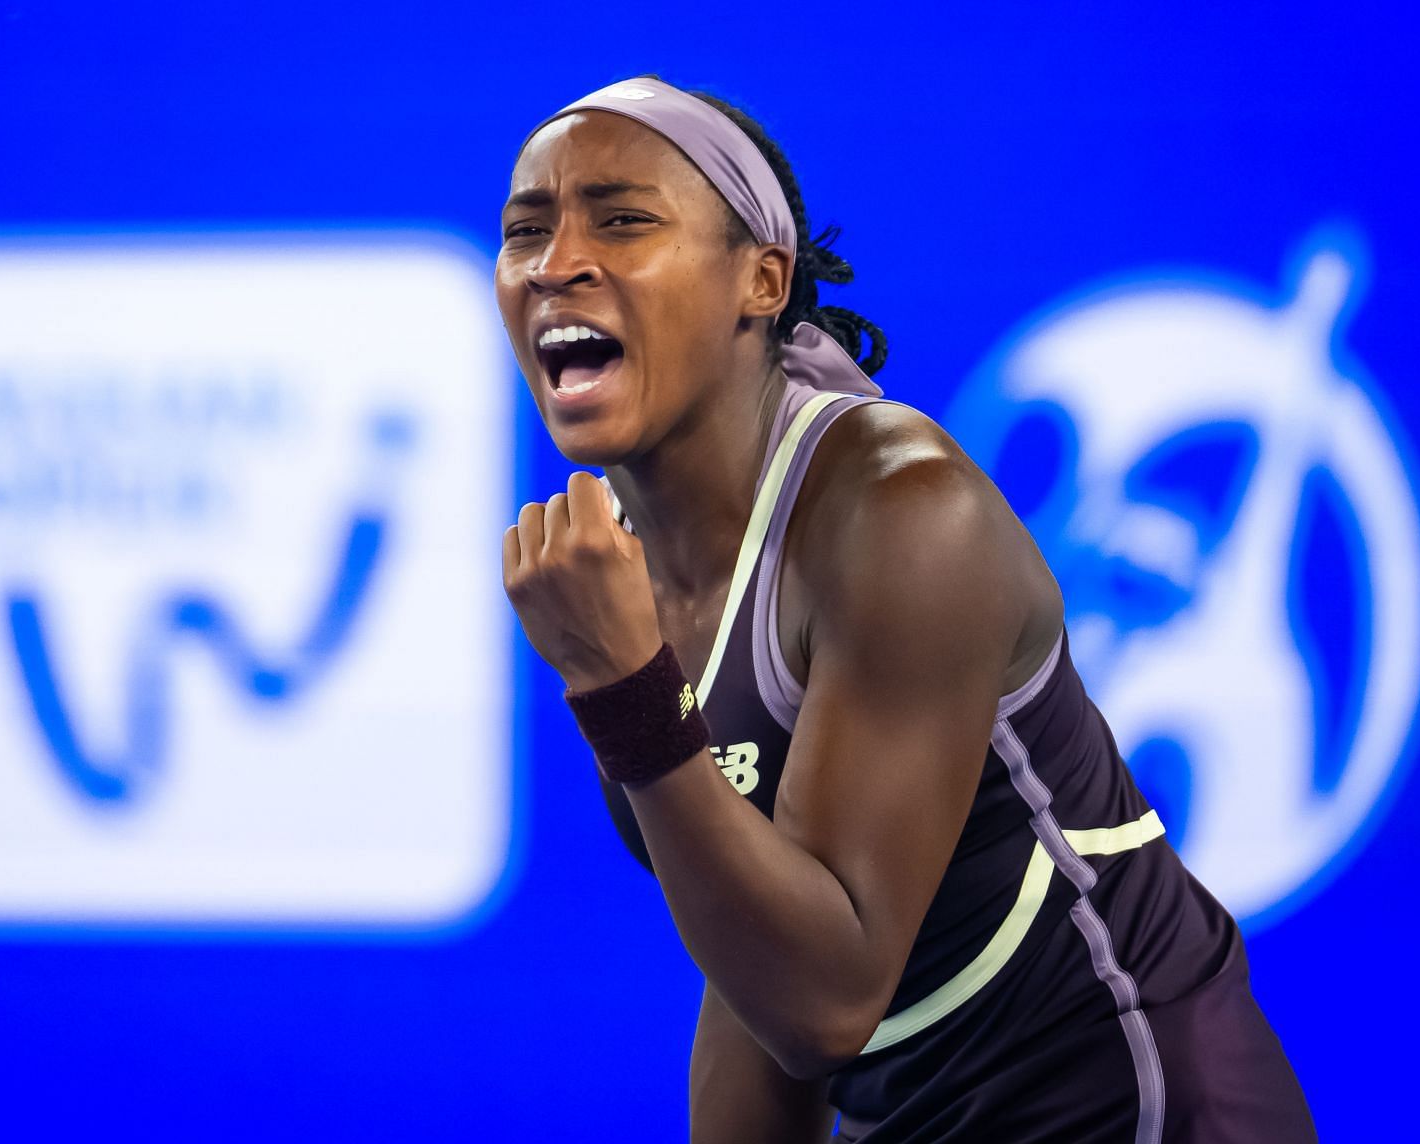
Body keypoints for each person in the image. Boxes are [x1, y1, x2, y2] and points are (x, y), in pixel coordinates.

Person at [496, 76, 1316, 1143]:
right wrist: (632, 695)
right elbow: (747, 962)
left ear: (762, 279)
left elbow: (821, 1004)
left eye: (623, 219)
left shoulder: (903, 513)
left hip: (1130, 1093)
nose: (558, 262)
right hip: (921, 1110)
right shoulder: (630, 565)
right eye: (526, 231)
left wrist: (625, 693)